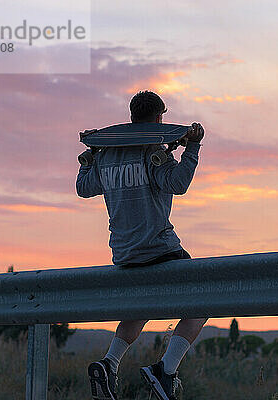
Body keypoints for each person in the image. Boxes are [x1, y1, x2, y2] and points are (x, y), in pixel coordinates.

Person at [75, 90, 207, 400]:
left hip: (124, 255)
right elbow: (177, 184)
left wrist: (90, 158)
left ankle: (110, 363)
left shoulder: (106, 155)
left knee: (139, 309)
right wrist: (193, 148)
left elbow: (84, 188)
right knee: (205, 299)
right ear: (160, 117)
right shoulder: (152, 149)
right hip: (161, 250)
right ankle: (166, 370)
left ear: (133, 115)